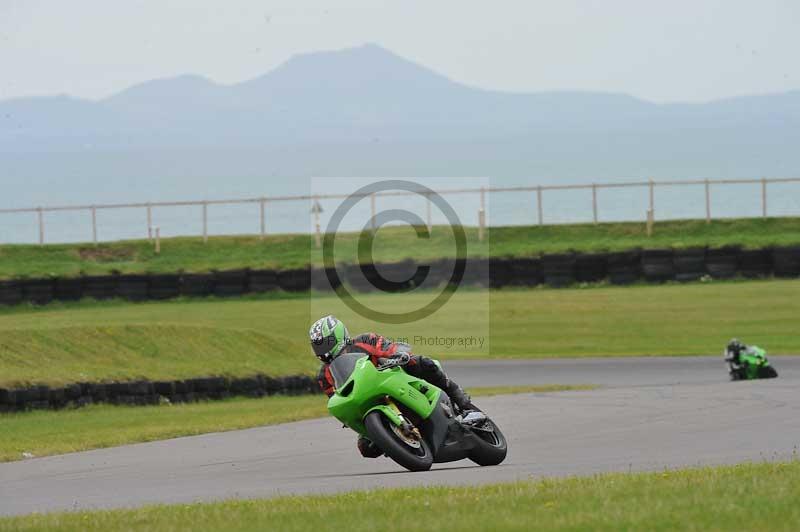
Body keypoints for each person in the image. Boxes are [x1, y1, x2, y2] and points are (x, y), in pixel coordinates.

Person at [309, 315, 473, 458]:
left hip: (392, 376)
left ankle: (464, 404)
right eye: (317, 346)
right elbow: (337, 397)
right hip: (365, 401)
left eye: (323, 344)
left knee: (424, 363)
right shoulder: (324, 375)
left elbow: (391, 347)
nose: (321, 350)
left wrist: (400, 354)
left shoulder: (365, 340)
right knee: (366, 449)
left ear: (337, 335)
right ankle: (396, 441)